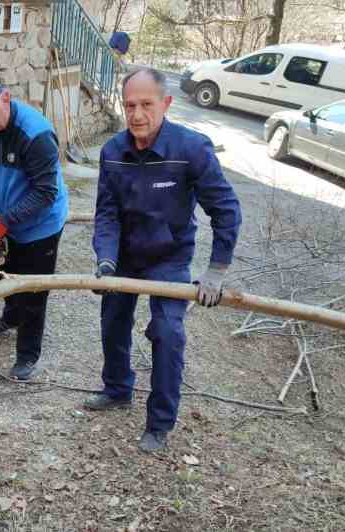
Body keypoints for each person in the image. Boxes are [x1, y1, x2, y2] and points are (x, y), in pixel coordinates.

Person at [86, 68, 242, 452]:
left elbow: (226, 210)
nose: (137, 114)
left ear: (166, 104)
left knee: (168, 334)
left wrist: (216, 271)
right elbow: (106, 213)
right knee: (113, 323)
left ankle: (159, 423)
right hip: (124, 255)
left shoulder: (190, 149)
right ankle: (118, 389)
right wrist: (105, 259)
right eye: (129, 105)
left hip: (169, 258)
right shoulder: (112, 152)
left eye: (146, 104)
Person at [0, 76, 69, 381]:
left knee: (34, 289)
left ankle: (27, 354)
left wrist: (4, 221)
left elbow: (46, 192)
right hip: (5, 214)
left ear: (6, 98)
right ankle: (10, 317)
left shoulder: (35, 135)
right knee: (5, 270)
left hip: (40, 225)